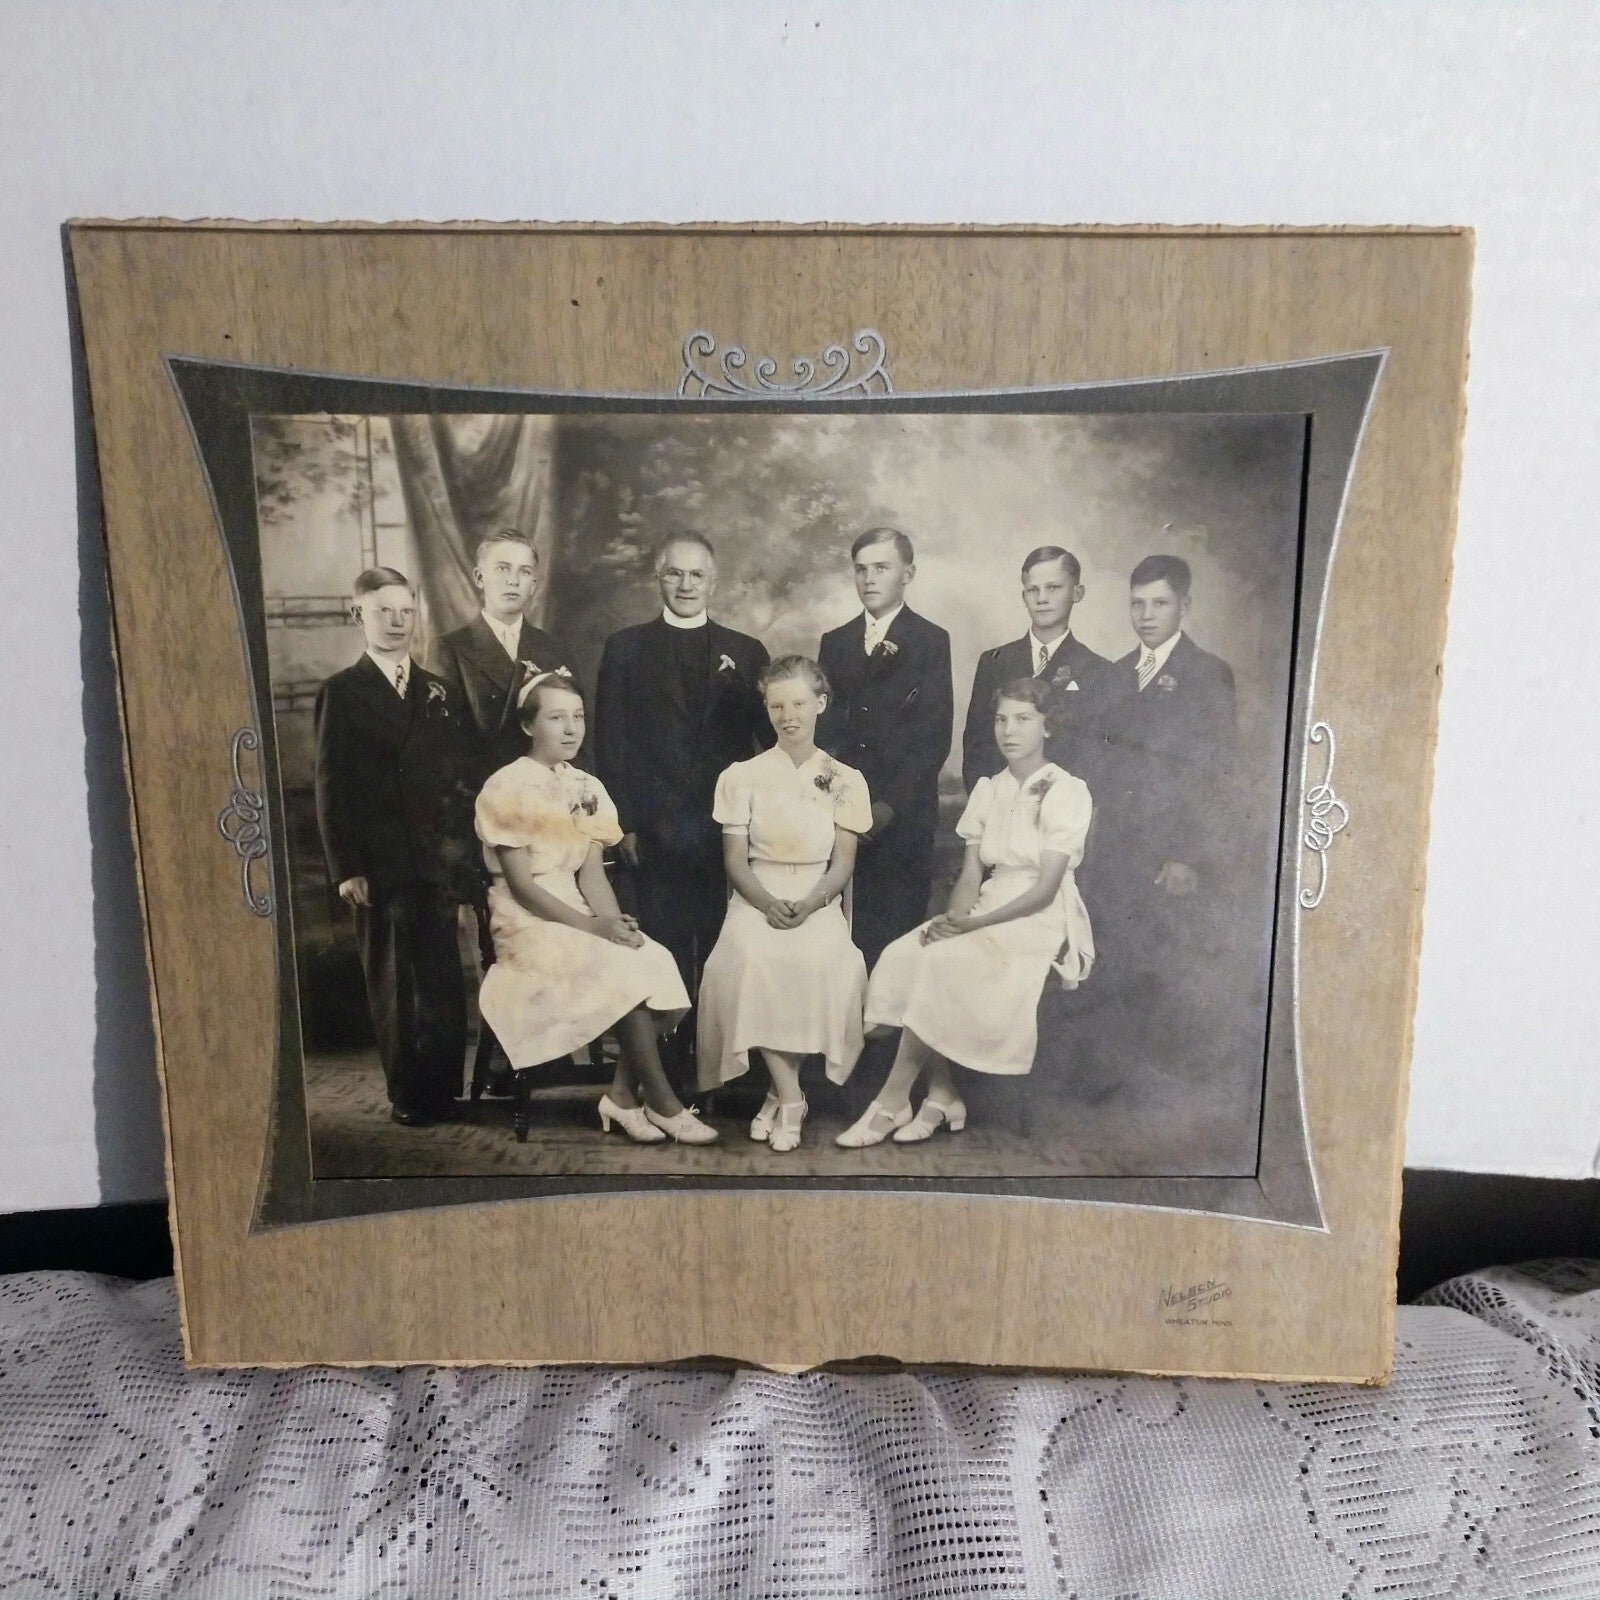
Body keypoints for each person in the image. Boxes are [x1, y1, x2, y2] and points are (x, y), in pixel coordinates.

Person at [837, 676, 1094, 1147]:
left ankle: (891, 1102)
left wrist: (972, 925)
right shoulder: (989, 789)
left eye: (1023, 719)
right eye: (1001, 719)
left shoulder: (1067, 790)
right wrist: (952, 920)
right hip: (988, 904)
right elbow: (971, 877)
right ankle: (941, 1092)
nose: (1008, 730)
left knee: (940, 964)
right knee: (906, 953)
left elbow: (1044, 890)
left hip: (1038, 920)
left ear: (1048, 726)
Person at [474, 671, 717, 1144]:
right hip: (527, 920)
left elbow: (591, 875)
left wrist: (613, 924)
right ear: (529, 726)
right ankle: (664, 1105)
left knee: (651, 957)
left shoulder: (586, 785)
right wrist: (593, 928)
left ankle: (622, 1099)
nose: (571, 729)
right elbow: (522, 888)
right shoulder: (505, 788)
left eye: (579, 717)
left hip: (577, 907)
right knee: (616, 970)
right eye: (556, 717)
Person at [594, 533, 770, 1068]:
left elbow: (769, 743)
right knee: (665, 950)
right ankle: (667, 1078)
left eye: (698, 575)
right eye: (675, 573)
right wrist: (622, 824)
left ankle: (719, 1070)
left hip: (727, 835)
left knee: (724, 950)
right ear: (659, 578)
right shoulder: (625, 649)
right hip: (656, 831)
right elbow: (610, 740)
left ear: (713, 582)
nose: (686, 585)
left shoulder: (746, 652)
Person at [313, 567, 479, 1126]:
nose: (396, 621)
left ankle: (443, 1091)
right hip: (380, 864)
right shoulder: (343, 691)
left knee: (441, 977)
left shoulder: (440, 691)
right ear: (358, 613)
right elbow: (331, 787)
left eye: (405, 610)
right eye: (383, 610)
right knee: (395, 979)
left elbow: (458, 782)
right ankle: (409, 1095)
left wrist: (459, 855)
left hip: (437, 860)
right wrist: (347, 868)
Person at [696, 656, 873, 1152]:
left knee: (822, 960)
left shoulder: (845, 778)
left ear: (820, 703)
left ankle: (776, 1096)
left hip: (818, 897)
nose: (788, 714)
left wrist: (812, 902)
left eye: (798, 702)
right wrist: (769, 903)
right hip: (756, 896)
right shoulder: (741, 775)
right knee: (750, 959)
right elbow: (735, 861)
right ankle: (793, 1099)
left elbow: (842, 866)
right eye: (777, 705)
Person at [1077, 554, 1238, 1077]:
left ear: (1185, 606)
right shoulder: (1114, 675)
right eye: (1137, 603)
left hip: (1170, 845)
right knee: (1111, 953)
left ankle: (1161, 1087)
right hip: (1114, 843)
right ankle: (1107, 1073)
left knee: (1165, 960)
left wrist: (1187, 855)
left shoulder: (1207, 674)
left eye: (1160, 603)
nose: (1146, 615)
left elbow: (1215, 774)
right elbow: (1098, 763)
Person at [816, 528, 954, 970]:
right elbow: (826, 736)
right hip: (842, 819)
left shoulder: (931, 640)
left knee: (894, 944)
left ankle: (885, 1040)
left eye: (881, 568)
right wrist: (839, 805)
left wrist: (886, 808)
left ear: (907, 574)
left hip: (901, 817)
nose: (869, 578)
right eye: (861, 569)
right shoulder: (835, 643)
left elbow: (933, 737)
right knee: (841, 939)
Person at [961, 545, 1113, 792]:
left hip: (1065, 810)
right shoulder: (994, 662)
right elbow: (977, 747)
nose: (1042, 598)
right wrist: (988, 801)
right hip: (1001, 805)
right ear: (1024, 597)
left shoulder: (1100, 672)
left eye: (1053, 588)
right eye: (1033, 589)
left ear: (1077, 593)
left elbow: (1095, 758)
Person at [432, 530, 573, 779]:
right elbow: (442, 748)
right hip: (481, 796)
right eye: (502, 569)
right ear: (479, 577)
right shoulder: (449, 650)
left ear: (533, 586)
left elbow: (576, 736)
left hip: (548, 796)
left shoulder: (554, 649)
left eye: (525, 572)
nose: (513, 581)